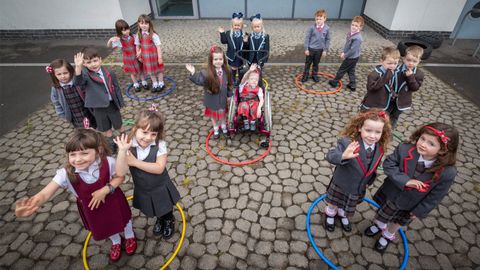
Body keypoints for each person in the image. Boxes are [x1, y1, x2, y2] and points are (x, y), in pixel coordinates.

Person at [15, 129, 136, 261]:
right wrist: (33, 203)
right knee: (105, 224)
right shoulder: (64, 173)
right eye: (72, 154)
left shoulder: (107, 161)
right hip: (93, 209)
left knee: (124, 219)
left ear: (98, 150)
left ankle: (129, 236)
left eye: (84, 153)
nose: (78, 159)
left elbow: (120, 177)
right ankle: (116, 241)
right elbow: (45, 193)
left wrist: (105, 190)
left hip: (113, 200)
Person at [364, 123, 458, 252]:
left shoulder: (447, 172)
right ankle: (379, 224)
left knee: (397, 221)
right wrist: (405, 181)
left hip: (411, 204)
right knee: (383, 212)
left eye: (431, 144)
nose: (423, 144)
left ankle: (388, 234)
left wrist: (419, 211)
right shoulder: (404, 149)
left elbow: (436, 196)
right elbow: (389, 164)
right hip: (391, 193)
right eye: (422, 138)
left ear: (443, 150)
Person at [115, 105, 181, 238]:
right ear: (135, 129)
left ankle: (168, 219)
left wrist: (134, 162)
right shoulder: (128, 145)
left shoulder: (159, 144)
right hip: (143, 187)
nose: (148, 138)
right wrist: (122, 152)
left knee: (165, 205)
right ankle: (160, 218)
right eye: (144, 132)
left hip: (160, 186)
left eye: (153, 134)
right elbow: (120, 173)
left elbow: (159, 168)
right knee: (154, 206)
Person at [324, 109, 392, 232]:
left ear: (383, 132)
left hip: (358, 187)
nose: (372, 136)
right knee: (334, 201)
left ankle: (342, 213)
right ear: (360, 128)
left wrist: (369, 181)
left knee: (346, 204)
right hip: (342, 183)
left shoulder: (380, 148)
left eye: (378, 132)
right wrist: (343, 156)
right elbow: (330, 155)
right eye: (368, 130)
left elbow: (373, 166)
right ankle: (330, 213)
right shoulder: (347, 143)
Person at [74, 48, 125, 152]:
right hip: (98, 107)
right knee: (106, 128)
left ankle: (124, 138)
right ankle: (111, 143)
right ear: (84, 64)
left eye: (95, 60)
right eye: (88, 62)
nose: (93, 64)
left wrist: (120, 102)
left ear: (100, 60)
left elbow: (116, 87)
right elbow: (78, 82)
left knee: (118, 124)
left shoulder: (109, 71)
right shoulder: (85, 75)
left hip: (112, 104)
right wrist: (78, 67)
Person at [186, 46, 233, 139]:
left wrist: (230, 95)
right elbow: (199, 81)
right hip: (212, 100)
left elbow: (228, 85)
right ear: (211, 60)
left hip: (222, 99)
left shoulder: (227, 71)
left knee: (223, 115)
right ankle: (216, 129)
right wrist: (193, 73)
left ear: (223, 59)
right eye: (215, 59)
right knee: (214, 116)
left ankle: (224, 127)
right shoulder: (206, 73)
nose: (218, 61)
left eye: (220, 59)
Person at [47, 59, 96, 129]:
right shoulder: (56, 88)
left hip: (87, 110)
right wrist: (62, 115)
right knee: (82, 131)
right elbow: (56, 103)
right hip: (75, 115)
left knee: (94, 126)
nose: (63, 76)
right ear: (54, 75)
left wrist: (79, 67)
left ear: (70, 71)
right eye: (59, 74)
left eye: (65, 73)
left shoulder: (77, 81)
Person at [386, 45, 425, 129]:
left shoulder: (419, 74)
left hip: (402, 101)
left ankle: (389, 130)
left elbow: (415, 88)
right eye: (408, 60)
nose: (411, 63)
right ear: (404, 59)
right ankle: (381, 129)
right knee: (385, 114)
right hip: (390, 97)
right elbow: (388, 81)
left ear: (419, 61)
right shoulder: (396, 68)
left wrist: (410, 77)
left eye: (414, 61)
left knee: (394, 117)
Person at [107, 19, 146, 92]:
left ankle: (144, 82)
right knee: (133, 72)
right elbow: (109, 46)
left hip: (137, 57)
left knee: (141, 70)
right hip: (128, 59)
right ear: (119, 31)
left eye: (127, 29)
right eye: (124, 30)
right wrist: (110, 40)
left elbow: (141, 44)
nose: (127, 31)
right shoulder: (119, 40)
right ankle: (136, 84)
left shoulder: (134, 36)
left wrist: (140, 51)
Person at [328, 16, 364, 92]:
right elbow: (348, 45)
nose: (354, 27)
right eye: (353, 25)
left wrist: (345, 55)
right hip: (352, 57)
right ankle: (353, 84)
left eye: (356, 26)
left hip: (351, 57)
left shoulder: (357, 38)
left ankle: (334, 82)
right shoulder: (351, 33)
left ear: (360, 27)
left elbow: (352, 50)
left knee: (342, 69)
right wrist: (344, 51)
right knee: (351, 70)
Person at [360, 47, 400, 114]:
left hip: (383, 103)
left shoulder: (392, 72)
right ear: (381, 61)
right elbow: (371, 88)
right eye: (389, 63)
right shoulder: (373, 74)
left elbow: (390, 85)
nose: (392, 66)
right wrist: (385, 77)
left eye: (395, 63)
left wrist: (393, 93)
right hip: (372, 103)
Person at [135, 14, 165, 92]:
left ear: (149, 24)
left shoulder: (153, 35)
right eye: (142, 23)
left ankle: (161, 83)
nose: (144, 25)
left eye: (146, 23)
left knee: (158, 71)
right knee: (150, 71)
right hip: (146, 58)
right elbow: (137, 46)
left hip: (154, 57)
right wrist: (139, 56)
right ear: (138, 24)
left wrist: (160, 58)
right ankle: (155, 83)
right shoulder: (138, 35)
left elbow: (158, 47)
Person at [301, 9, 331, 83]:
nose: (318, 21)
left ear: (324, 19)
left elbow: (328, 39)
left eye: (320, 19)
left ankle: (314, 75)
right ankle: (305, 76)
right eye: (317, 19)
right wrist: (306, 49)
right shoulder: (311, 28)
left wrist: (325, 50)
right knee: (308, 64)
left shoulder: (327, 29)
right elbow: (307, 38)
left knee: (316, 64)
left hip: (319, 50)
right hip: (311, 49)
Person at [219, 12, 246, 85]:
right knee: (233, 68)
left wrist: (246, 41)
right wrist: (222, 33)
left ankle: (241, 80)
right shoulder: (228, 33)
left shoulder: (244, 34)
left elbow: (246, 45)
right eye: (235, 25)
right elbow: (224, 41)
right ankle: (233, 79)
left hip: (241, 55)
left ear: (242, 26)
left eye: (238, 25)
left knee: (241, 68)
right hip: (232, 55)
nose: (237, 27)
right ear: (232, 25)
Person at [237, 64, 264, 131]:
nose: (254, 81)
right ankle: (246, 122)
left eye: (256, 79)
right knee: (244, 106)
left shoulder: (259, 89)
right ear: (248, 80)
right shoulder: (243, 85)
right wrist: (249, 71)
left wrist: (259, 108)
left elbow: (261, 99)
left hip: (254, 101)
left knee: (255, 106)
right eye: (252, 79)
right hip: (244, 101)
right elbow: (244, 77)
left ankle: (252, 123)